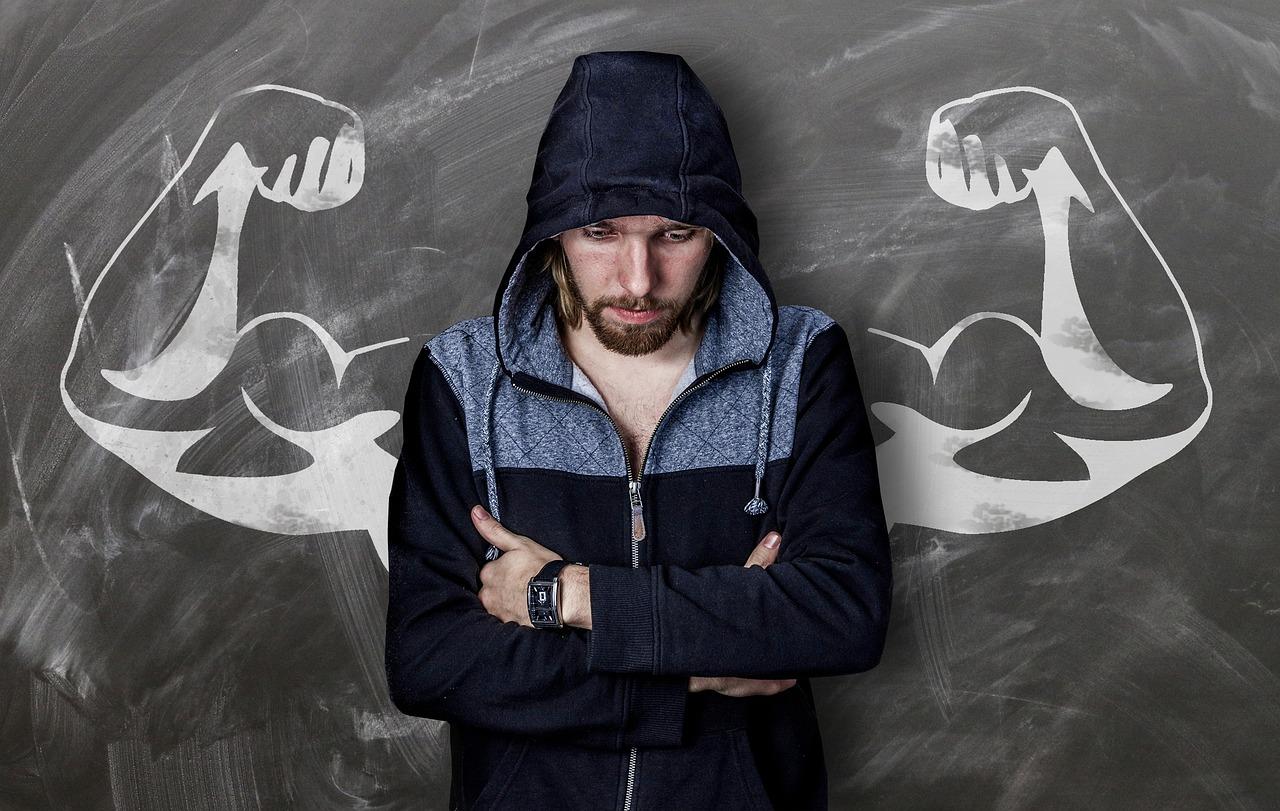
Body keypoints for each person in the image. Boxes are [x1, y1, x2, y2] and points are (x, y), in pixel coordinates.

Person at [385, 50, 893, 810]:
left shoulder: (801, 363)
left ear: (719, 233)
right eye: (599, 231)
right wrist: (693, 673)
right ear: (553, 232)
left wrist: (571, 597)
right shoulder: (463, 377)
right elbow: (430, 660)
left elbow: (841, 614)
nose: (637, 279)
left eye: (676, 234)